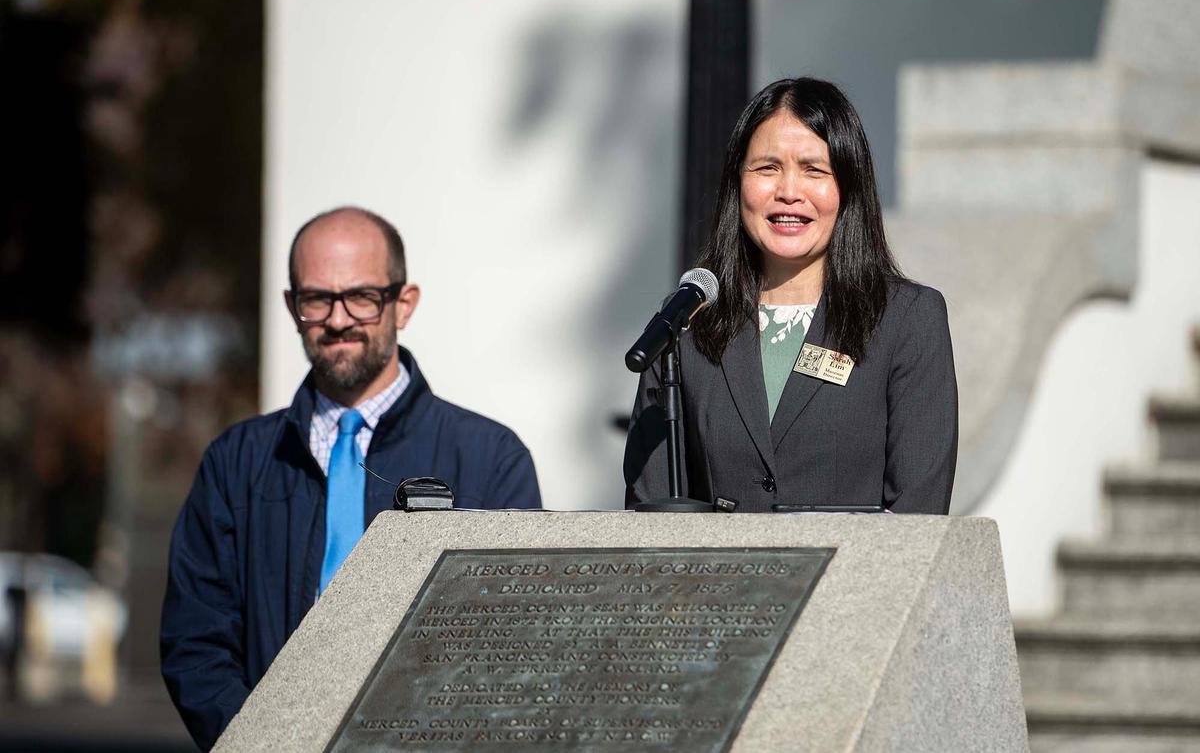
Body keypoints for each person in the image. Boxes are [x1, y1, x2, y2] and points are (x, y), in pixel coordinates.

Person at [160, 206, 541, 750]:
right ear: (293, 308)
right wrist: (264, 745)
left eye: (361, 297)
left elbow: (513, 648)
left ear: (402, 304)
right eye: (317, 299)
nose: (338, 320)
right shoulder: (235, 463)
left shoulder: (491, 460)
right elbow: (195, 642)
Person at [624, 77, 957, 514]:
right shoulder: (687, 322)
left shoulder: (908, 319)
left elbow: (919, 513)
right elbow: (649, 509)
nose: (788, 192)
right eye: (766, 168)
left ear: (848, 187)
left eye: (813, 169)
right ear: (737, 183)